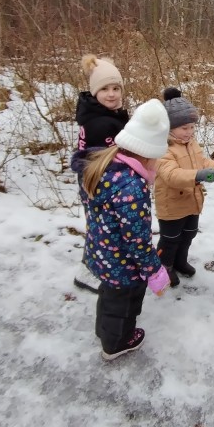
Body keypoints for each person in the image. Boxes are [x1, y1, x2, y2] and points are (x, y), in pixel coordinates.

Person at [79, 98, 171, 360]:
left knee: (108, 296)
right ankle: (116, 342)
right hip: (122, 264)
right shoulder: (133, 187)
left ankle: (105, 330)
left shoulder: (104, 164)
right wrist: (154, 272)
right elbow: (138, 241)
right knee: (123, 305)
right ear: (147, 153)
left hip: (102, 252)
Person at [72, 54, 129, 293]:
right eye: (105, 89)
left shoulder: (103, 115)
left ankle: (91, 266)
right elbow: (112, 156)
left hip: (98, 180)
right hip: (100, 183)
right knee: (105, 231)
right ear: (94, 91)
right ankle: (96, 272)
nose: (112, 94)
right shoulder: (101, 123)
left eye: (116, 88)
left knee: (98, 228)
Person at [155, 88, 214, 287]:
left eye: (192, 127)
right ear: (170, 128)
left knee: (188, 234)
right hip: (171, 205)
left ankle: (180, 261)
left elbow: (203, 162)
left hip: (192, 201)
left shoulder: (191, 143)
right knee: (170, 239)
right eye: (184, 128)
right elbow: (171, 175)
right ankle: (164, 267)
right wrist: (198, 176)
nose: (189, 132)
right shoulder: (161, 148)